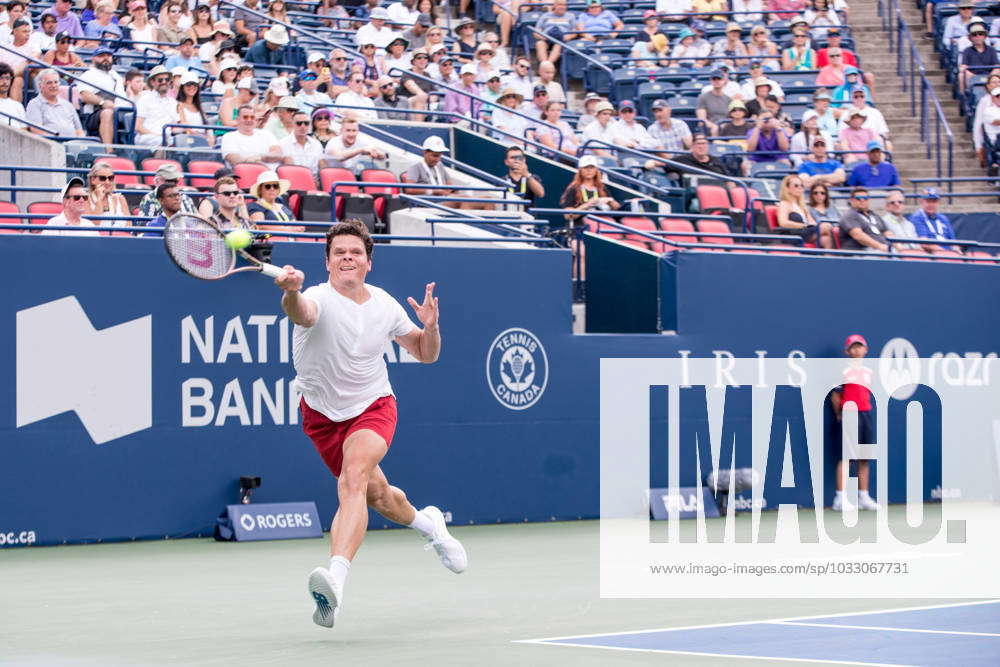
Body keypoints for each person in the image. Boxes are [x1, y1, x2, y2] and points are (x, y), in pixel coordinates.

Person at [272, 218, 464, 629]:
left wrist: (431, 327)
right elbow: (301, 313)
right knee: (378, 495)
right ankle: (430, 524)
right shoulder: (315, 297)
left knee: (354, 478)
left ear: (368, 262)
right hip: (322, 417)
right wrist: (290, 292)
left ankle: (335, 583)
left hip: (373, 406)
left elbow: (425, 354)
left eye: (355, 252)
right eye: (339, 251)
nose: (347, 257)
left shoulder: (384, 303)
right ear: (327, 261)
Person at [830, 334, 880, 512]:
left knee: (864, 457)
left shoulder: (869, 372)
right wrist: (839, 414)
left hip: (866, 415)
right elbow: (835, 395)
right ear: (847, 351)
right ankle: (840, 498)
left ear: (865, 350)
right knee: (846, 457)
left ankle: (863, 497)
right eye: (853, 347)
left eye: (860, 346)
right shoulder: (843, 372)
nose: (857, 350)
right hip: (849, 415)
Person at [403, 135, 480, 210]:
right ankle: (462, 222)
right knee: (465, 199)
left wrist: (451, 190)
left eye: (439, 156)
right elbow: (409, 190)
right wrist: (433, 192)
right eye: (434, 156)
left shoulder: (440, 165)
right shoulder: (415, 167)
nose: (437, 159)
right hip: (427, 203)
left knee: (487, 199)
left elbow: (449, 185)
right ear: (425, 152)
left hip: (442, 199)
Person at [559, 154, 619, 226]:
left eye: (592, 167)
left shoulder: (602, 187)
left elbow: (617, 209)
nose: (589, 170)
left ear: (596, 170)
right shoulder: (573, 188)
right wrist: (588, 205)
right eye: (586, 167)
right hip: (582, 227)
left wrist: (610, 201)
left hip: (602, 224)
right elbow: (568, 216)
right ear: (580, 170)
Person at [776, 174, 833, 248]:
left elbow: (812, 222)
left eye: (801, 186)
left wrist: (810, 225)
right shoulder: (784, 203)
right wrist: (804, 226)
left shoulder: (802, 205)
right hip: (794, 233)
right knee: (826, 226)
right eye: (796, 186)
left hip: (806, 232)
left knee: (826, 240)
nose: (800, 188)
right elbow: (783, 223)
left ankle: (829, 257)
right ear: (787, 188)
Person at [25, 69, 84, 137]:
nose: (53, 85)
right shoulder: (34, 104)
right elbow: (37, 131)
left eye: (56, 82)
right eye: (49, 83)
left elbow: (79, 131)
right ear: (40, 86)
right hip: (51, 144)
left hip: (72, 144)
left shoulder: (68, 105)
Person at [134, 66, 179, 148]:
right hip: (146, 137)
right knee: (162, 141)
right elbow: (138, 127)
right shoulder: (145, 99)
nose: (164, 82)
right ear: (152, 82)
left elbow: (176, 125)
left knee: (181, 142)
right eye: (160, 80)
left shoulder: (173, 102)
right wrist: (158, 135)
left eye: (167, 80)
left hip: (167, 137)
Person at [839, 186, 892, 252]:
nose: (862, 200)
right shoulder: (849, 216)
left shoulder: (875, 215)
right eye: (858, 198)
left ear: (869, 200)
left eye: (865, 198)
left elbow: (887, 232)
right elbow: (858, 236)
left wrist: (898, 246)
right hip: (860, 253)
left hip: (880, 251)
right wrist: (880, 246)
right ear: (851, 200)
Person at [248, 170, 300, 235]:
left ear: (279, 190)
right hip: (269, 242)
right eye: (268, 186)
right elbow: (261, 226)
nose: (272, 189)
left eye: (275, 186)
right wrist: (288, 230)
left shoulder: (283, 207)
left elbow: (297, 226)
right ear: (260, 190)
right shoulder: (254, 206)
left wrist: (297, 228)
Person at [908, 187, 956, 254]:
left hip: (948, 253)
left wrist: (956, 251)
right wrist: (945, 252)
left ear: (938, 202)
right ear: (921, 202)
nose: (931, 204)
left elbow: (953, 242)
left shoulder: (943, 218)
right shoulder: (917, 217)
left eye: (934, 201)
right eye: (928, 201)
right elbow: (924, 243)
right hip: (932, 255)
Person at [83, 161, 129, 226]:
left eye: (110, 178)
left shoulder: (120, 198)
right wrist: (99, 200)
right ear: (92, 180)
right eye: (102, 178)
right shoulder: (85, 200)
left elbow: (129, 226)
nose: (107, 182)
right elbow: (93, 225)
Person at [280, 110, 325, 175]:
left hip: (314, 181)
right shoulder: (283, 143)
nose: (303, 126)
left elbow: (322, 166)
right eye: (299, 123)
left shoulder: (316, 144)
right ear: (292, 124)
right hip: (292, 180)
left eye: (306, 123)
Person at [960, 24, 999, 95]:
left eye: (980, 34)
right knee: (961, 75)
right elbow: (963, 67)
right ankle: (964, 98)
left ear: (984, 36)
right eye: (974, 35)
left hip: (989, 75)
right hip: (972, 76)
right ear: (971, 38)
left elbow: (996, 66)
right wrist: (975, 77)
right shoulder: (967, 51)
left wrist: (990, 77)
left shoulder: (991, 50)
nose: (978, 37)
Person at [696, 70, 731, 136]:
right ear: (711, 81)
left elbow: (730, 118)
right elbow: (702, 119)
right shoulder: (703, 97)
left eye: (719, 79)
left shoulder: (728, 99)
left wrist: (724, 125)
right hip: (709, 128)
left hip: (725, 128)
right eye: (714, 79)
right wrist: (714, 126)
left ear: (724, 80)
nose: (717, 81)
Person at [0, 62, 25, 129]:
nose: (5, 82)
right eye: (1, 78)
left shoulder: (18, 105)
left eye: (7, 78)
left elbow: (24, 130)